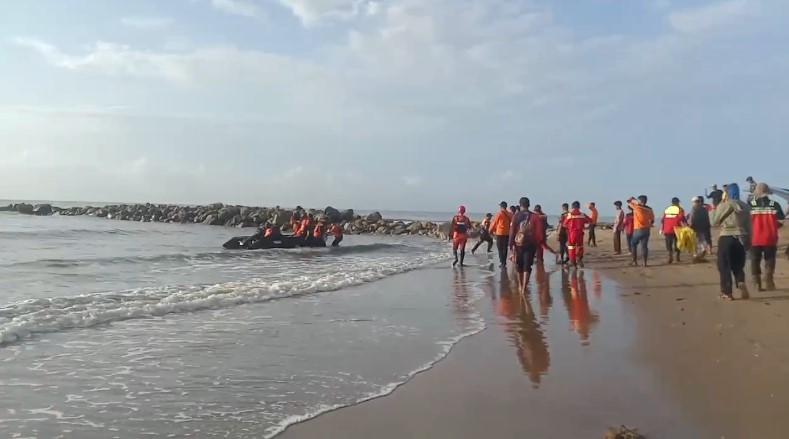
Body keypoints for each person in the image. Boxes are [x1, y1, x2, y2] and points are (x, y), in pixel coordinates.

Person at [711, 183, 751, 300]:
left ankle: (727, 292)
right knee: (738, 264)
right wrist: (748, 241)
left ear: (726, 193)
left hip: (726, 237)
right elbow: (749, 226)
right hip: (741, 238)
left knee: (724, 265)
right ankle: (740, 281)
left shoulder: (723, 206)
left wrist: (714, 209)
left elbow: (714, 222)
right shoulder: (746, 206)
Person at [749, 183, 785, 291]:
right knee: (770, 259)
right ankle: (769, 277)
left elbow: (747, 222)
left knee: (755, 260)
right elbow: (781, 220)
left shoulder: (751, 204)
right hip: (770, 237)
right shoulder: (775, 204)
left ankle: (757, 283)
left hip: (755, 237)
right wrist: (774, 226)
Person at [509, 197, 543, 293]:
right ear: (529, 205)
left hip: (518, 244)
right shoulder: (535, 216)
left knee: (519, 265)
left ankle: (520, 285)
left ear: (520, 205)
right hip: (530, 244)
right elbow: (539, 233)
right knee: (527, 266)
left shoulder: (516, 216)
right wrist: (537, 244)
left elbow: (512, 232)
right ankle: (524, 287)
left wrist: (510, 245)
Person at [627, 195, 655, 267]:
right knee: (644, 246)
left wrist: (633, 199)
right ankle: (645, 263)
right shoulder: (650, 209)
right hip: (646, 229)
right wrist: (649, 225)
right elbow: (652, 220)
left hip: (637, 229)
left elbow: (628, 201)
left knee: (633, 244)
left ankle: (634, 260)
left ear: (640, 201)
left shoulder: (637, 207)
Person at [563, 201, 592, 268]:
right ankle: (579, 259)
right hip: (580, 233)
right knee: (580, 247)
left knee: (571, 247)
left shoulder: (569, 215)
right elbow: (590, 220)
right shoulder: (582, 214)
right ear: (579, 207)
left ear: (572, 207)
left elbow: (564, 225)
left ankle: (573, 262)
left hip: (571, 233)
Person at [661, 197, 686, 264]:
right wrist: (686, 226)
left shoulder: (667, 209)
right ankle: (677, 258)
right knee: (677, 243)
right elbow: (682, 218)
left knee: (668, 243)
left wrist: (662, 229)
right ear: (678, 203)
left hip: (667, 229)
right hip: (677, 229)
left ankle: (670, 257)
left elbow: (663, 220)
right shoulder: (680, 209)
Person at [489, 201, 514, 267]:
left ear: (501, 207)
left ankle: (502, 261)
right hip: (507, 233)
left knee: (500, 247)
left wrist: (490, 230)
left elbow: (494, 223)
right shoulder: (510, 214)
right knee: (505, 247)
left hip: (500, 233)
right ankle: (504, 261)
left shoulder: (499, 214)